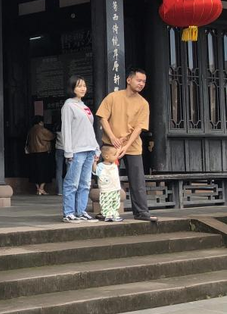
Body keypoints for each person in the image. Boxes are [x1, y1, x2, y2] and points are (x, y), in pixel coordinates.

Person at [96, 68, 158, 222]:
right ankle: (106, 211)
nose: (141, 84)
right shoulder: (113, 97)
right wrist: (112, 137)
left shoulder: (143, 103)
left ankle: (141, 212)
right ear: (129, 80)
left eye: (144, 81)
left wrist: (126, 145)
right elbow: (103, 117)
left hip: (133, 146)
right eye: (138, 80)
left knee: (137, 180)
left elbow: (139, 128)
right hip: (111, 146)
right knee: (106, 179)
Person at [61, 76, 100, 222]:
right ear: (72, 88)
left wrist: (96, 149)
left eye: (84, 85)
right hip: (77, 150)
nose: (83, 88)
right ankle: (69, 212)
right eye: (79, 86)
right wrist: (68, 151)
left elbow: (89, 129)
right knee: (72, 183)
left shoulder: (84, 105)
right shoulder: (68, 105)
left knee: (85, 184)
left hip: (89, 149)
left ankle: (81, 211)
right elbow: (66, 130)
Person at [25, 116, 55, 195]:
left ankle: (38, 188)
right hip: (42, 152)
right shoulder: (42, 129)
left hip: (32, 152)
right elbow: (52, 136)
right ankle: (41, 188)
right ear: (40, 122)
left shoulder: (31, 130)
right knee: (44, 171)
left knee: (34, 171)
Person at [95, 146, 123, 222]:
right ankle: (107, 215)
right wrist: (94, 162)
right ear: (107, 156)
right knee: (106, 203)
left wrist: (118, 150)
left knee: (115, 202)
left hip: (115, 188)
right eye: (114, 155)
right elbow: (95, 171)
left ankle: (115, 215)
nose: (116, 156)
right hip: (106, 189)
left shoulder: (114, 164)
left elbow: (116, 156)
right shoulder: (101, 166)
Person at [54, 128, 65, 196]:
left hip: (59, 149)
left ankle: (60, 191)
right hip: (68, 149)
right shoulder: (70, 130)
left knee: (59, 170)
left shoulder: (57, 132)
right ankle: (67, 189)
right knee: (69, 169)